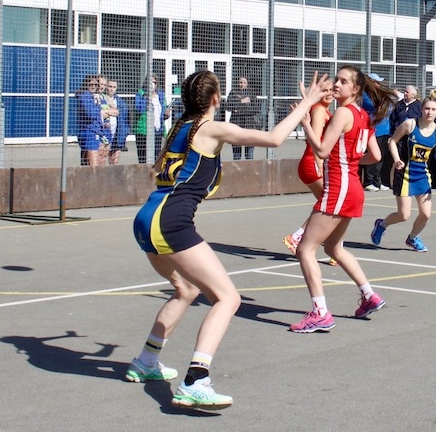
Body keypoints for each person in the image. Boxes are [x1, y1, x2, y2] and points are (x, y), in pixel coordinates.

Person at [128, 70, 327, 410]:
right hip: (170, 221)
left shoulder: (180, 128)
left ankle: (147, 360)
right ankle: (196, 380)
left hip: (146, 218)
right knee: (228, 298)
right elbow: (274, 139)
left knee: (186, 290)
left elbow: (159, 169)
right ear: (216, 99)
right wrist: (307, 103)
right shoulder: (211, 128)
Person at [290, 67, 397, 333]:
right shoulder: (363, 115)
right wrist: (350, 160)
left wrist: (306, 125)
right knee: (333, 248)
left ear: (356, 89)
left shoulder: (343, 113)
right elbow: (375, 156)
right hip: (353, 188)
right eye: (336, 79)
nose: (337, 84)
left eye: (343, 81)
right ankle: (369, 295)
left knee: (305, 249)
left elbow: (322, 150)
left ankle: (320, 314)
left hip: (339, 188)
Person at [370, 96, 436, 252]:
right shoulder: (410, 124)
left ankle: (413, 237)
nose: (429, 112)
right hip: (405, 174)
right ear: (421, 109)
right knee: (403, 215)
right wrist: (396, 159)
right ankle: (381, 224)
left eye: (433, 109)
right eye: (427, 108)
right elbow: (392, 141)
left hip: (422, 175)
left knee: (426, 214)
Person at [281, 76, 338, 266]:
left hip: (315, 162)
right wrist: (319, 164)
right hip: (313, 162)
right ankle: (300, 238)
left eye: (331, 90)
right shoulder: (320, 110)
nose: (329, 94)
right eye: (324, 90)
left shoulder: (324, 109)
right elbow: (315, 140)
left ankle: (327, 247)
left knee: (327, 207)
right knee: (332, 207)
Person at [134, 75, 170, 164]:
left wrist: (166, 114)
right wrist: (147, 97)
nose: (152, 84)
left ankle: (153, 172)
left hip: (157, 131)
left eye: (154, 82)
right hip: (144, 131)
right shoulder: (141, 93)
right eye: (150, 82)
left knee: (156, 157)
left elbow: (162, 111)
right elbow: (139, 109)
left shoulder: (160, 94)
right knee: (143, 158)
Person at [76, 74, 108, 166]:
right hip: (89, 132)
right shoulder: (85, 96)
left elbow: (111, 112)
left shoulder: (97, 96)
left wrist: (103, 113)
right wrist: (100, 109)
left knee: (99, 162)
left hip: (99, 131)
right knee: (93, 164)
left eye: (96, 85)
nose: (93, 87)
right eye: (91, 84)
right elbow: (91, 114)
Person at [223, 76, 258, 160]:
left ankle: (249, 168)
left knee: (249, 155)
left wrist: (238, 108)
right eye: (240, 82)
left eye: (244, 82)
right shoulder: (233, 93)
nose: (242, 84)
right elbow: (228, 106)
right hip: (236, 125)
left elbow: (256, 109)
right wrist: (241, 101)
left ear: (247, 84)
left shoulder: (251, 93)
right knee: (236, 155)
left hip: (249, 126)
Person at [104, 78, 131, 165]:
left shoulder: (121, 102)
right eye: (110, 86)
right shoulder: (101, 99)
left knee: (114, 161)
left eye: (114, 87)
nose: (111, 89)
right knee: (102, 159)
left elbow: (126, 119)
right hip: (105, 134)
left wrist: (125, 133)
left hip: (117, 134)